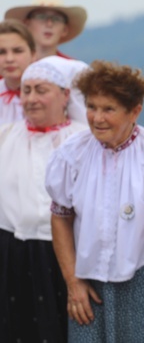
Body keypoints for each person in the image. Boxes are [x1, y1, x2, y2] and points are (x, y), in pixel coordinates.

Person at [45, 61, 144, 342]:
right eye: (92, 107)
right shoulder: (71, 155)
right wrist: (72, 281)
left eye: (108, 109)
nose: (97, 117)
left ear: (134, 111)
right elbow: (60, 216)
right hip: (89, 283)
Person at [0, 58, 89, 342]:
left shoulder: (83, 140)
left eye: (41, 90)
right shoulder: (5, 137)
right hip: (12, 255)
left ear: (65, 94)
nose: (31, 98)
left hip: (69, 254)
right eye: (26, 90)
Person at [4, 0, 87, 60]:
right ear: (26, 24)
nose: (49, 24)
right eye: (41, 17)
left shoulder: (74, 71)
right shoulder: (9, 68)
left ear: (65, 30)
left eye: (56, 19)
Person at [0, 19, 36, 124]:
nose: (9, 59)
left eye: (17, 51)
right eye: (1, 52)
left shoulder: (52, 93)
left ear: (33, 54)